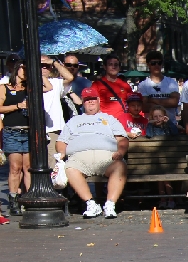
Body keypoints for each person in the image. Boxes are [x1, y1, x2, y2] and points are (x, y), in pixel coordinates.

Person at [56, 86, 129, 219]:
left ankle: (110, 205)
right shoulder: (73, 121)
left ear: (99, 100)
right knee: (69, 168)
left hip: (107, 157)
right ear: (83, 102)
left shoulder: (110, 119)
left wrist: (120, 152)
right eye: (87, 100)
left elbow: (122, 139)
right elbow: (61, 141)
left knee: (120, 166)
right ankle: (91, 204)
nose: (90, 102)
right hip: (79, 158)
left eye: (93, 99)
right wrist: (61, 152)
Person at [0, 62, 48, 216]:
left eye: (28, 69)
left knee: (28, 167)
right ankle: (14, 199)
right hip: (12, 131)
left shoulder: (31, 88)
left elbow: (48, 87)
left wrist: (37, 74)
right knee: (15, 167)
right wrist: (18, 106)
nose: (25, 71)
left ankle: (28, 199)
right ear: (16, 69)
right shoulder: (5, 87)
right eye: (23, 68)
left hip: (28, 131)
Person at [40, 55, 74, 166]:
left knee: (53, 162)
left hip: (53, 129)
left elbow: (70, 77)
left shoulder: (55, 82)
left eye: (46, 65)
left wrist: (54, 62)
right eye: (41, 65)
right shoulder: (28, 83)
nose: (44, 68)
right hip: (34, 129)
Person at [136, 51, 180, 126]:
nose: (156, 65)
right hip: (151, 126)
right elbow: (144, 107)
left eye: (159, 63)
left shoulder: (171, 82)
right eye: (153, 63)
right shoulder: (143, 85)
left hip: (170, 125)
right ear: (148, 65)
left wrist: (152, 100)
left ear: (162, 64)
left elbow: (174, 103)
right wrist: (166, 102)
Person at [92, 54, 132, 127]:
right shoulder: (96, 85)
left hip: (122, 124)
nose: (113, 67)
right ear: (105, 67)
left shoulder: (125, 85)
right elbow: (93, 105)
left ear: (119, 67)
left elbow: (132, 104)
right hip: (104, 124)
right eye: (110, 64)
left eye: (116, 65)